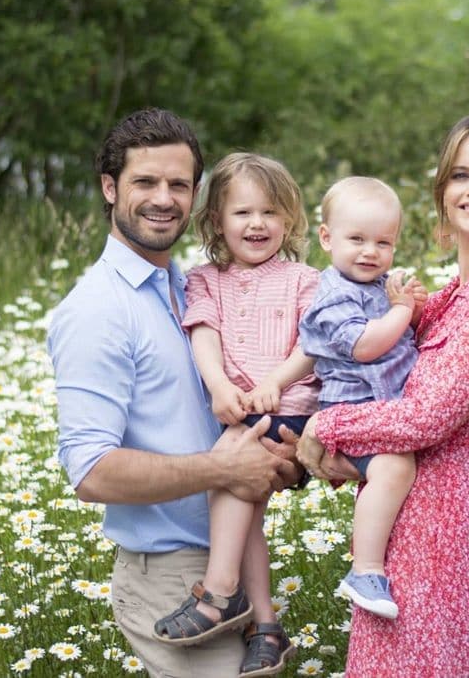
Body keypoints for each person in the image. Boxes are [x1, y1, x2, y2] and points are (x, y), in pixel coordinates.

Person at [47, 109, 300, 678]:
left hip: (233, 557)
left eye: (179, 185)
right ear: (110, 188)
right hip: (168, 575)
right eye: (145, 182)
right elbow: (91, 472)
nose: (163, 198)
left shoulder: (195, 287)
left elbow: (230, 429)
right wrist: (223, 469)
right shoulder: (96, 312)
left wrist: (276, 461)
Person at [296, 114, 469, 676]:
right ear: (442, 194)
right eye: (460, 174)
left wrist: (326, 427)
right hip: (408, 512)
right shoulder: (454, 295)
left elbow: (428, 418)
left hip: (446, 522)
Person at [152, 152, 319, 677]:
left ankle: (220, 594)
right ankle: (265, 628)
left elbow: (315, 343)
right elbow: (204, 333)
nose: (257, 224)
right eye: (242, 213)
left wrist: (274, 382)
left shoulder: (304, 279)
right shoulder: (206, 279)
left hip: (288, 410)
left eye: (270, 212)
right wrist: (219, 385)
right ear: (217, 222)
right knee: (244, 510)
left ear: (288, 219)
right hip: (238, 411)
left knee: (227, 470)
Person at [298, 176, 426, 620]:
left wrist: (415, 305)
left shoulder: (381, 284)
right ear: (327, 238)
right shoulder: (332, 295)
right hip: (351, 410)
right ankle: (366, 570)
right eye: (357, 239)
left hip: (383, 406)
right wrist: (402, 312)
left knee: (398, 470)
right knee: (393, 468)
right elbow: (366, 345)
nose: (370, 252)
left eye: (383, 242)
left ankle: (375, 565)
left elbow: (404, 330)